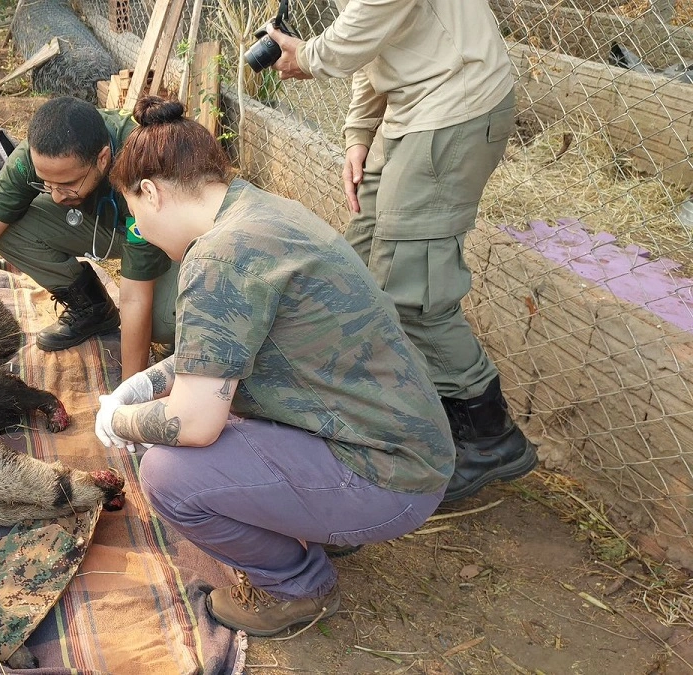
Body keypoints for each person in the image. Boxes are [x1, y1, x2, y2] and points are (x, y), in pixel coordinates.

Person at [95, 96, 455, 636]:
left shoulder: (218, 257)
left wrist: (116, 422)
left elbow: (193, 423)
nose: (140, 232)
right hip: (406, 451)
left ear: (152, 191)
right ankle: (324, 521)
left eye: (136, 216)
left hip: (390, 481)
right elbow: (224, 349)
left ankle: (299, 588)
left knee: (169, 474)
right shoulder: (258, 212)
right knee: (220, 419)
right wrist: (150, 380)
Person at [263, 0, 536, 502]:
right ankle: (399, 407)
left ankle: (488, 434)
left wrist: (309, 56)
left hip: (455, 105)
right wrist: (359, 134)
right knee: (358, 264)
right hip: (414, 109)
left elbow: (354, 34)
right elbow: (374, 42)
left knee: (410, 293)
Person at [0, 96, 178, 379]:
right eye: (47, 183)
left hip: (170, 238)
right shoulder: (42, 153)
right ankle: (92, 309)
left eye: (67, 184)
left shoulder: (142, 163)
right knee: (7, 227)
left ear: (103, 159)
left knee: (160, 322)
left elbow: (134, 298)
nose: (55, 196)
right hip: (112, 224)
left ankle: (182, 337)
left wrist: (131, 392)